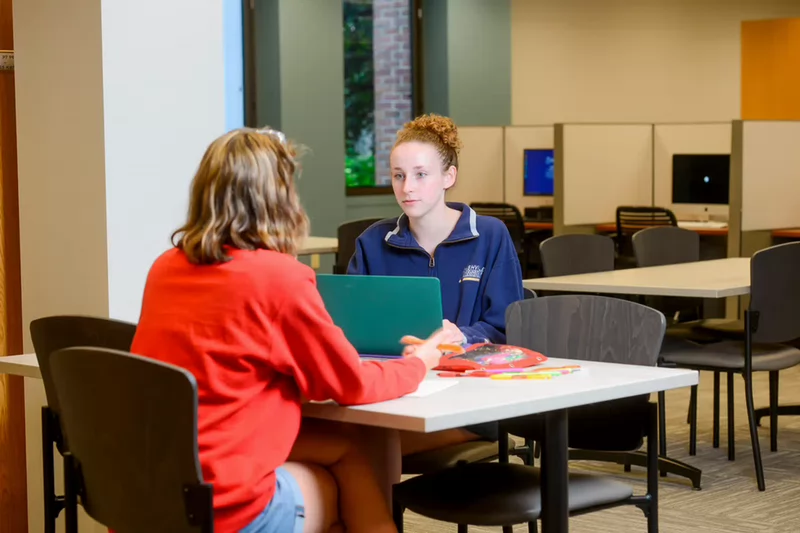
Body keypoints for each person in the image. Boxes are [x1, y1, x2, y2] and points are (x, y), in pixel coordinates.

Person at [130, 127, 449, 533]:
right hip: (224, 504)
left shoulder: (165, 267)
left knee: (350, 451)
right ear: (278, 198)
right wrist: (419, 363)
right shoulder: (279, 277)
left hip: (158, 484)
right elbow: (350, 384)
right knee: (339, 494)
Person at [347, 114, 524, 455]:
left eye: (420, 175)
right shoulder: (371, 243)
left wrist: (464, 336)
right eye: (398, 176)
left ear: (448, 177)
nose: (406, 187)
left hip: (467, 400)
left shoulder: (489, 236)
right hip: (393, 393)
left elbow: (508, 327)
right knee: (348, 439)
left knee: (362, 448)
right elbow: (355, 329)